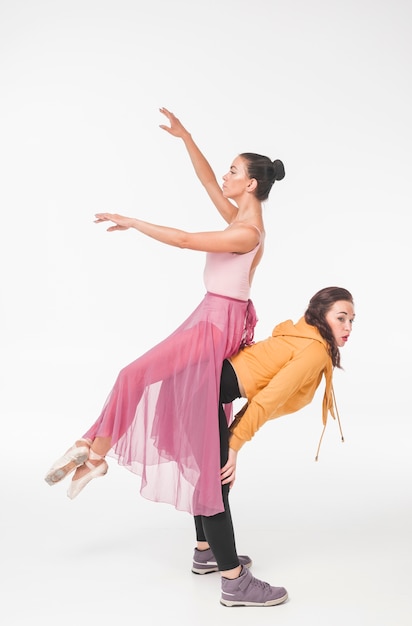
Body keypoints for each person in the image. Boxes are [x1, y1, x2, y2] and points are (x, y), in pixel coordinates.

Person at [44, 108, 286, 604]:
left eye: (234, 172)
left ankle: (94, 452)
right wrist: (187, 138)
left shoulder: (248, 231)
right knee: (161, 397)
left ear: (253, 185)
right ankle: (199, 543)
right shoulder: (240, 213)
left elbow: (182, 240)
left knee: (135, 375)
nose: (226, 176)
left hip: (214, 326)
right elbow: (205, 183)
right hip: (208, 317)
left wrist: (132, 221)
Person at [197, 285, 354, 607]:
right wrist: (234, 443)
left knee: (211, 479)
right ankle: (233, 583)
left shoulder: (303, 338)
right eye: (341, 318)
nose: (348, 327)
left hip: (202, 386)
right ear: (320, 315)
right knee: (217, 483)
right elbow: (267, 400)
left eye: (352, 320)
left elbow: (262, 395)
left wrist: (232, 437)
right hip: (201, 389)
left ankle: (206, 552)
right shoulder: (312, 351)